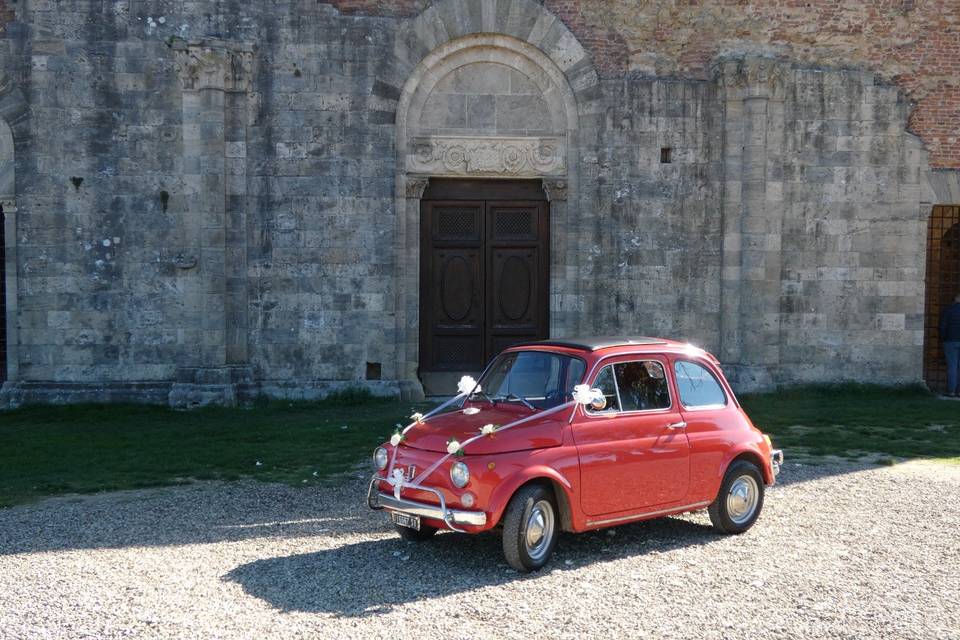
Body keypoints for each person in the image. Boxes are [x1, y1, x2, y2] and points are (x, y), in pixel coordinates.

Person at [940, 293, 960, 397]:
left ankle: (951, 391)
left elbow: (943, 326)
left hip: (950, 341)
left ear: (956, 299)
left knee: (952, 366)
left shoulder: (949, 310)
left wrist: (943, 338)